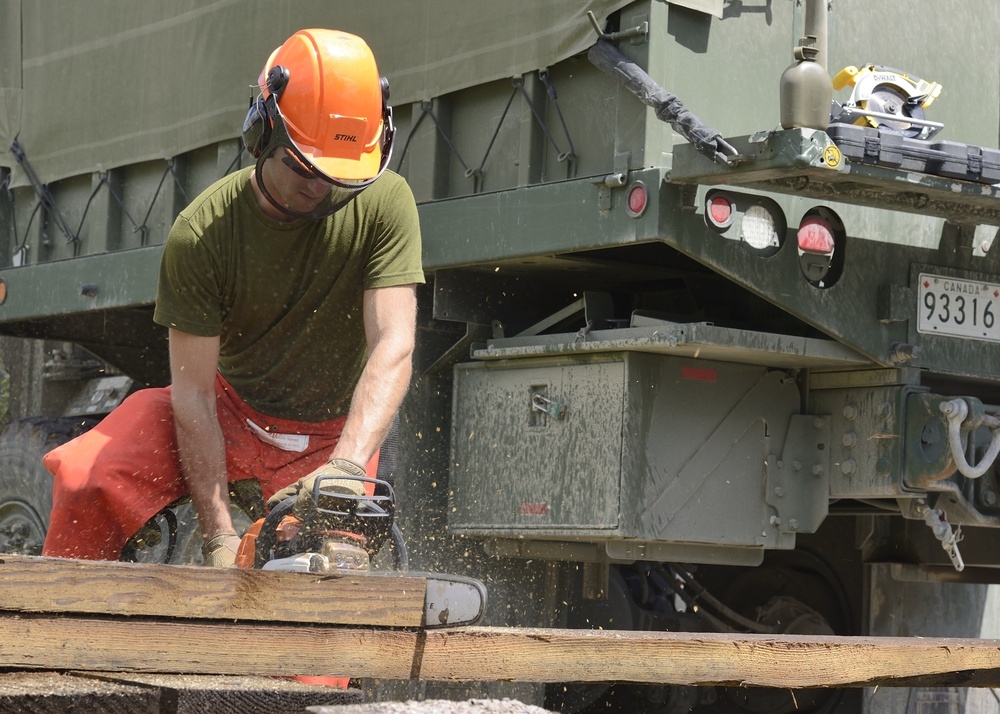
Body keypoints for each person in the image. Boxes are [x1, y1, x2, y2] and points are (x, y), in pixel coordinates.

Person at [41, 28, 423, 567]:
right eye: (303, 168)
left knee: (326, 567)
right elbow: (192, 394)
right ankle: (58, 631)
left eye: (340, 176)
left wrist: (348, 466)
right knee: (86, 479)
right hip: (226, 410)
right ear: (263, 133)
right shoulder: (202, 234)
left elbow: (394, 343)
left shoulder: (387, 204)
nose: (321, 189)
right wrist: (219, 535)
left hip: (329, 436)